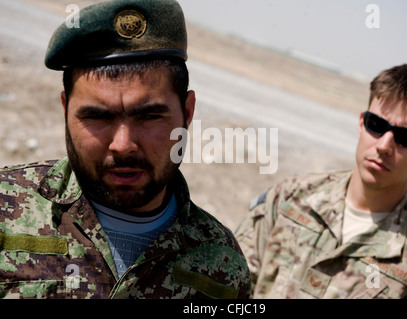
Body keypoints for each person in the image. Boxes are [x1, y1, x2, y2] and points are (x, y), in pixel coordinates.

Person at [0, 0, 250, 299]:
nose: (123, 145)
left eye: (149, 117)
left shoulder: (223, 267)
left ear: (188, 112)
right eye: (97, 117)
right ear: (66, 110)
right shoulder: (6, 209)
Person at [235, 64, 407, 299]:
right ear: (361, 124)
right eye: (376, 125)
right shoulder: (292, 197)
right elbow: (230, 286)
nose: (384, 146)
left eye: (406, 137)